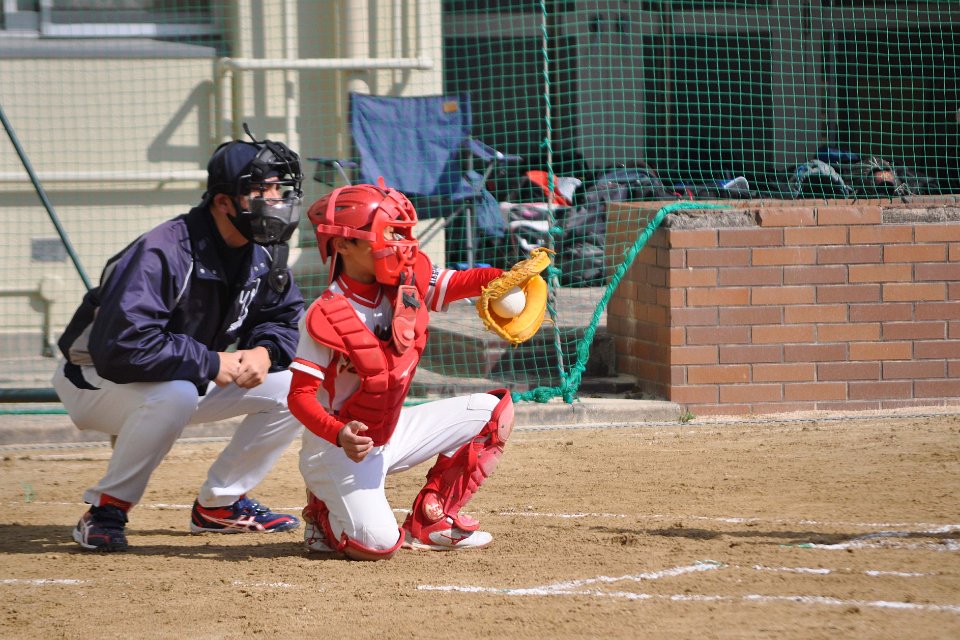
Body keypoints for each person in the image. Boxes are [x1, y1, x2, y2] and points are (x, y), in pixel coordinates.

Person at [53, 129, 307, 551]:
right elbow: (122, 346)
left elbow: (282, 318)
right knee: (176, 393)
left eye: (278, 188)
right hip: (93, 377)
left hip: (179, 373)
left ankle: (220, 505)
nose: (275, 199)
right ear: (223, 201)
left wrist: (265, 350)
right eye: (260, 190)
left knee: (297, 385)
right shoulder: (164, 250)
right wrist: (210, 362)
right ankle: (105, 512)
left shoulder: (265, 249)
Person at [288, 182, 516, 560]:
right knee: (377, 546)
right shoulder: (325, 314)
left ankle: (433, 520)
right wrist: (338, 433)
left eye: (401, 232)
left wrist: (502, 278)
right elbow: (299, 396)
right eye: (388, 233)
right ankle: (322, 512)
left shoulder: (405, 280)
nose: (400, 243)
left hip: (389, 431)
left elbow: (454, 283)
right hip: (340, 449)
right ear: (343, 244)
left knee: (493, 413)